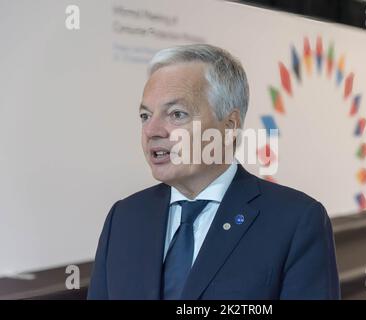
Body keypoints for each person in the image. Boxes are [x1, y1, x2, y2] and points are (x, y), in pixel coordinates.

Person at [87, 44, 340, 300]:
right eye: (145, 115)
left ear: (229, 126)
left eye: (176, 114)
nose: (153, 130)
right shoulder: (123, 218)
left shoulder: (296, 221)